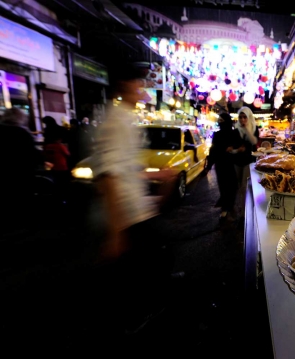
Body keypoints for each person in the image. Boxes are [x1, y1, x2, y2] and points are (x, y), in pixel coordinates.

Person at [91, 76, 177, 334]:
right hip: (127, 214)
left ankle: (142, 312)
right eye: (137, 83)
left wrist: (156, 176)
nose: (142, 88)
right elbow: (108, 174)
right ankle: (136, 320)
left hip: (137, 209)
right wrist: (116, 230)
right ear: (124, 86)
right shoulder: (116, 121)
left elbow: (126, 169)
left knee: (150, 261)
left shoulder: (127, 118)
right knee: (142, 268)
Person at [0, 108, 42, 230]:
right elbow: (32, 153)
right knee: (23, 198)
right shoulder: (22, 133)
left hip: (4, 173)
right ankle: (23, 223)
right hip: (21, 172)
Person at [204, 112, 238, 221]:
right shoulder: (217, 135)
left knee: (232, 187)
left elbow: (239, 147)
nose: (220, 122)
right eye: (219, 120)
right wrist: (209, 166)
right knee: (223, 187)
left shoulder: (235, 134)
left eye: (222, 120)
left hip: (232, 165)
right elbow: (213, 151)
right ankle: (225, 208)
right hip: (221, 165)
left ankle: (229, 205)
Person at [231, 107, 260, 218]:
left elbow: (254, 141)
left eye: (245, 117)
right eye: (240, 117)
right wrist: (236, 150)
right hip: (237, 160)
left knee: (244, 186)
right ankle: (242, 206)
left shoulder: (253, 128)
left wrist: (246, 130)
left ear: (249, 117)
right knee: (239, 186)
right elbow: (233, 145)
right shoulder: (235, 130)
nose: (242, 120)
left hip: (249, 160)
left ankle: (244, 213)